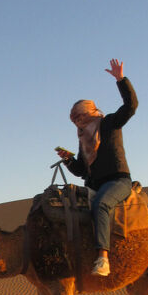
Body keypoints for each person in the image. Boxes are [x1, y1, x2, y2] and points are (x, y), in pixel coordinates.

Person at [56, 59, 138, 277]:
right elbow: (82, 171)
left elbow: (131, 107)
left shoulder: (110, 123)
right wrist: (68, 159)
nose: (77, 122)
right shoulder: (83, 140)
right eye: (74, 119)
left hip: (117, 181)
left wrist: (121, 80)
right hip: (93, 184)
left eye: (79, 116)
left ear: (89, 112)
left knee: (101, 204)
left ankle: (103, 258)